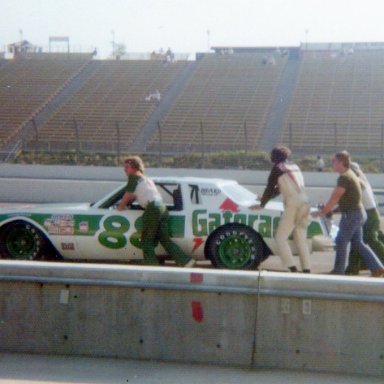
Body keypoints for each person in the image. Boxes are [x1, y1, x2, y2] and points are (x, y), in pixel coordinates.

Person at [312, 151, 384, 277]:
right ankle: (377, 267)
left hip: (352, 215)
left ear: (341, 162)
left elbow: (335, 198)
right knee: (358, 242)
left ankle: (339, 271)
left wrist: (322, 212)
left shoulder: (345, 178)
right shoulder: (350, 175)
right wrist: (328, 210)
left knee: (341, 240)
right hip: (359, 214)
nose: (332, 164)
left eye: (333, 161)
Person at [117, 156, 195, 267]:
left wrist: (119, 208)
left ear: (134, 168)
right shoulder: (145, 178)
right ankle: (186, 261)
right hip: (162, 208)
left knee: (146, 239)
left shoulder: (133, 177)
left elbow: (127, 196)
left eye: (127, 167)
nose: (124, 170)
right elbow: (138, 195)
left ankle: (151, 265)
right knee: (164, 239)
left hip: (152, 209)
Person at [250, 146, 311, 273]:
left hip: (293, 204)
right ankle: (306, 268)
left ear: (275, 157)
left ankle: (291, 267)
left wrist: (262, 204)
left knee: (280, 237)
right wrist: (265, 198)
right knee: (300, 237)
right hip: (306, 202)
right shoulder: (295, 166)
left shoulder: (277, 168)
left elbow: (270, 187)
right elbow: (279, 189)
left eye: (272, 155)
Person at [345, 162, 384, 274]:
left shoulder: (356, 181)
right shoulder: (362, 180)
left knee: (370, 240)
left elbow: (353, 200)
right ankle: (353, 267)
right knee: (358, 240)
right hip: (370, 212)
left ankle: (354, 267)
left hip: (369, 213)